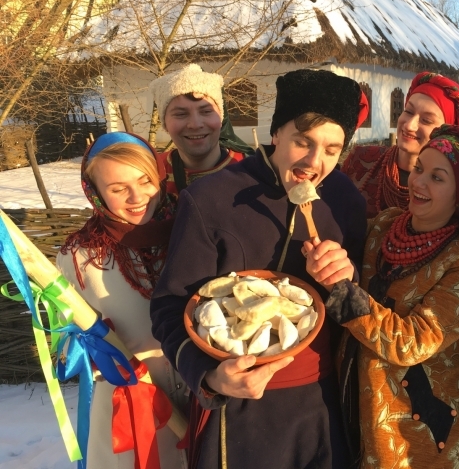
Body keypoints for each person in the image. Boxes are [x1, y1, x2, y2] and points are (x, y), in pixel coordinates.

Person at [150, 69, 369, 469]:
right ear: (276, 134)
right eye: (303, 141)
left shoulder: (346, 202)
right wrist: (211, 378)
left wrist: (348, 280)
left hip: (321, 405)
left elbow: (363, 309)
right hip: (239, 409)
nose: (314, 162)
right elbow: (167, 307)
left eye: (332, 149)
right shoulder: (211, 198)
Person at [305, 124, 459, 468]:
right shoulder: (384, 225)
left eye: (438, 178)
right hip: (360, 407)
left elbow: (412, 342)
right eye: (419, 169)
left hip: (418, 433)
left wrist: (343, 292)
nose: (419, 182)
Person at [57, 132, 187, 468]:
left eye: (145, 180)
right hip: (132, 409)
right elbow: (71, 333)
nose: (136, 197)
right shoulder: (81, 256)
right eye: (117, 189)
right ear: (95, 193)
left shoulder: (191, 233)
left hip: (200, 395)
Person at [342, 71, 459, 218]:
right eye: (408, 111)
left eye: (426, 120)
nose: (409, 125)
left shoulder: (448, 188)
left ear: (447, 133)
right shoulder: (360, 160)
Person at [149, 64, 250, 197]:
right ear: (164, 124)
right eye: (180, 114)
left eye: (206, 111)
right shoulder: (151, 174)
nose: (195, 124)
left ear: (221, 117)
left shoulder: (252, 170)